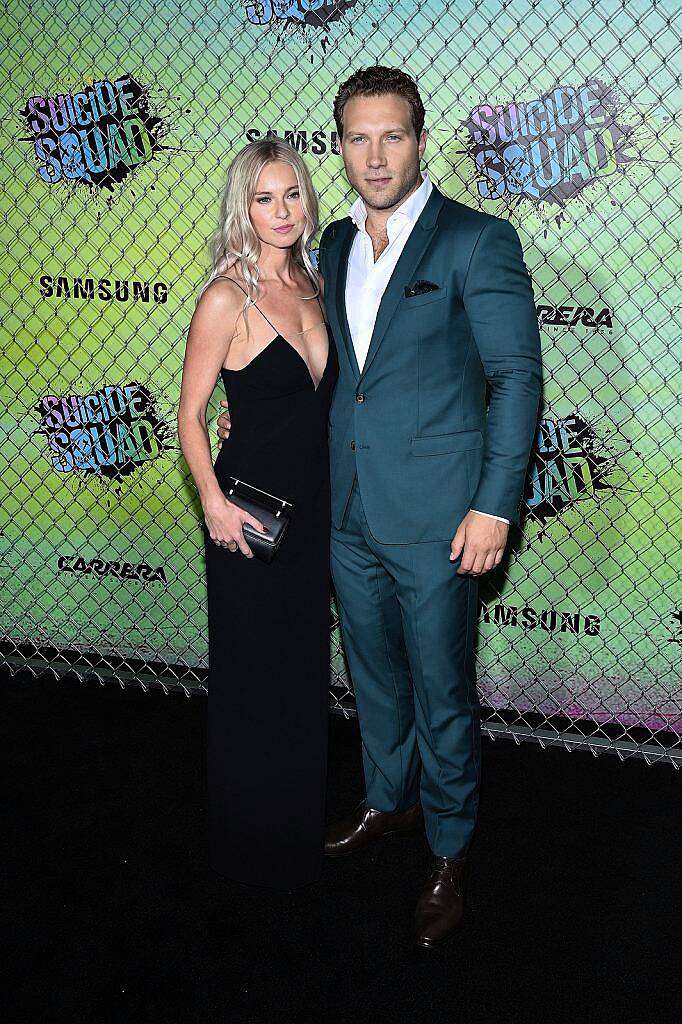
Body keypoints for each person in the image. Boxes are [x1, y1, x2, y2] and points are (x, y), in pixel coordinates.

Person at [217, 66, 542, 945]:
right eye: (357, 138)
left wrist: (495, 508)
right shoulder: (329, 244)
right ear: (342, 145)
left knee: (442, 689)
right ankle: (389, 801)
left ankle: (449, 846)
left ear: (421, 140)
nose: (374, 155)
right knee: (373, 677)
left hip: (442, 517)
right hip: (347, 512)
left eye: (391, 135)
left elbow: (515, 379)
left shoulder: (478, 241)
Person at [177, 139, 338, 890]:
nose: (282, 212)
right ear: (244, 206)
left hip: (316, 510)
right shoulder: (225, 296)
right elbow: (190, 416)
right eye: (265, 198)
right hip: (248, 516)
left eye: (293, 195)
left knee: (302, 673)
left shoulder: (317, 281)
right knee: (250, 678)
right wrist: (211, 501)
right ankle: (245, 848)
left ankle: (295, 826)